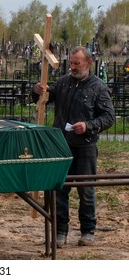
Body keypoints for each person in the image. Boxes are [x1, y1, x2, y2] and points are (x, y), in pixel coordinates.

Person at [33, 46, 115, 248]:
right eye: (71, 63)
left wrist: (88, 126)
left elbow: (109, 117)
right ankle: (60, 231)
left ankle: (88, 230)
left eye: (77, 63)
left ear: (88, 63)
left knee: (86, 191)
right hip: (61, 145)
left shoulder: (98, 87)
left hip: (85, 147)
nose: (73, 67)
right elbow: (44, 99)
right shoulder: (63, 83)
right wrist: (38, 91)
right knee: (60, 190)